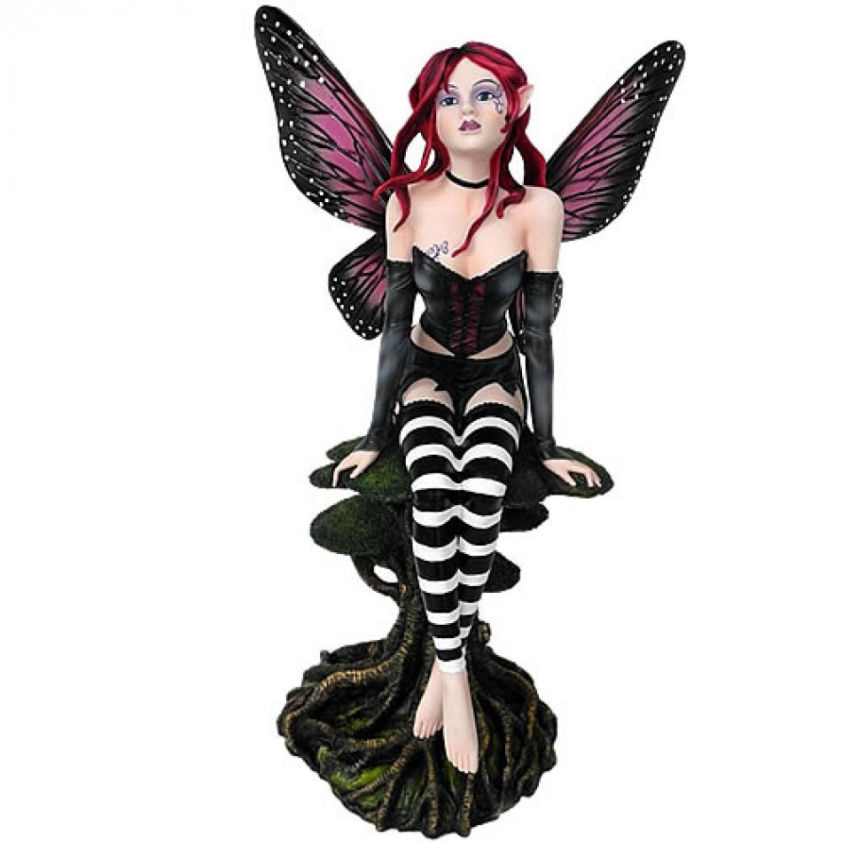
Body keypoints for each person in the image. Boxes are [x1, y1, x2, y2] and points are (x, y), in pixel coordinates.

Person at [330, 44, 601, 775]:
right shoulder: (406, 202)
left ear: (517, 103)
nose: (468, 110)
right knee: (431, 487)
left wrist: (547, 443)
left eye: (485, 94)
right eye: (449, 98)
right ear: (429, 112)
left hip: (493, 375)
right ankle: (454, 677)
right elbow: (394, 329)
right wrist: (374, 434)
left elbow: (537, 334)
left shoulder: (539, 209)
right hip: (425, 373)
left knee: (479, 494)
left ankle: (442, 673)